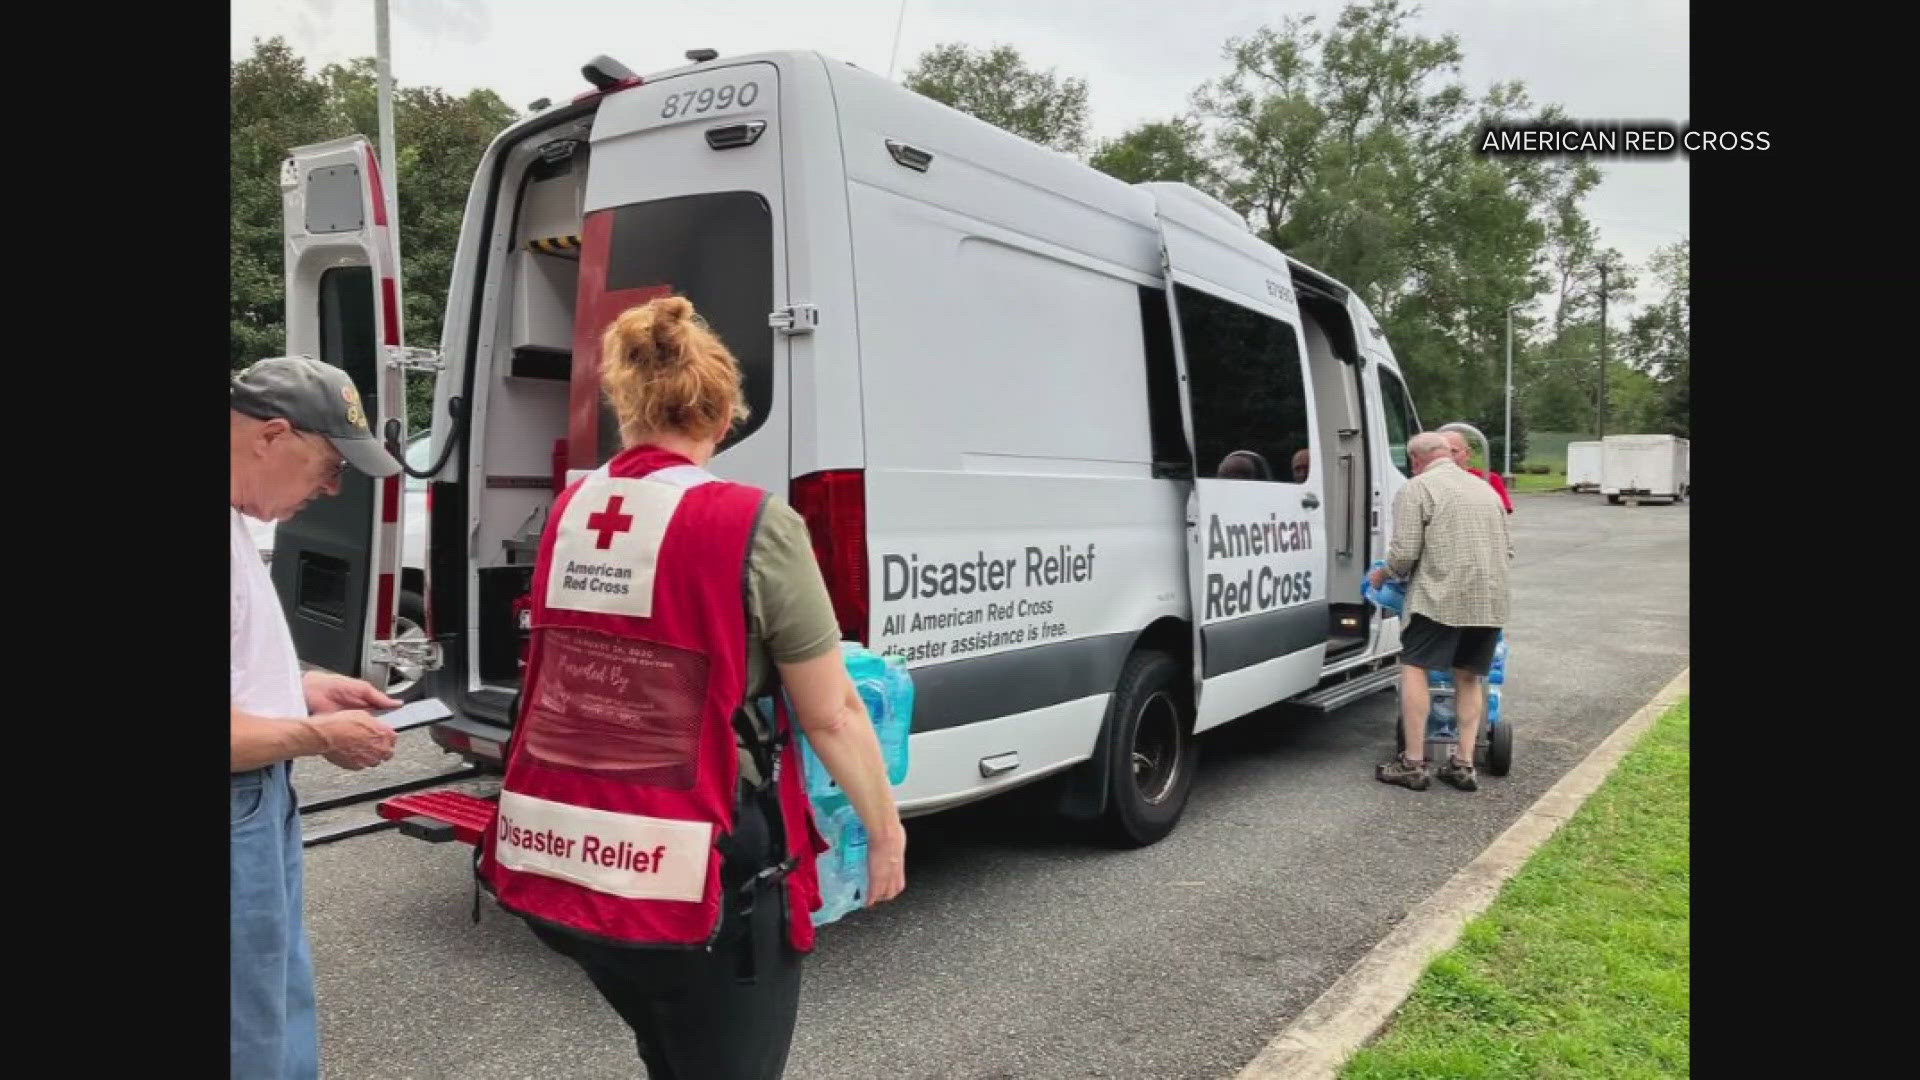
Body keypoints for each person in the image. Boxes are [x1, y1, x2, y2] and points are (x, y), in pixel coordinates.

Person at [478, 295, 907, 1079]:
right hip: (699, 861)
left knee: (667, 1048)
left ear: (625, 403)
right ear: (723, 414)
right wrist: (885, 831)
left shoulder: (574, 510)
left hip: (567, 845)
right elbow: (834, 710)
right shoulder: (751, 522)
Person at [231, 356, 404, 1079]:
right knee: (245, 1025)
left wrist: (305, 689)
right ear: (273, 435)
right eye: (329, 465)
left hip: (257, 795)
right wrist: (315, 735)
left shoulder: (238, 516)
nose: (332, 488)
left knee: (274, 998)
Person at [1369, 431, 1512, 792]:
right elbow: (1506, 549)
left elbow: (1404, 553)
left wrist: (1382, 574)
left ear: (1416, 460)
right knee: (1469, 676)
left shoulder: (1417, 488)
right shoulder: (1486, 490)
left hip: (1440, 597)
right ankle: (1463, 764)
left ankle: (1413, 763)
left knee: (1415, 668)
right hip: (1490, 600)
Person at [1441, 429, 1512, 513]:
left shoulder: (1490, 479)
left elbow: (1502, 513)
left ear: (1468, 453)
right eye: (1442, 452)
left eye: (1453, 451)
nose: (1447, 457)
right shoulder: (1427, 481)